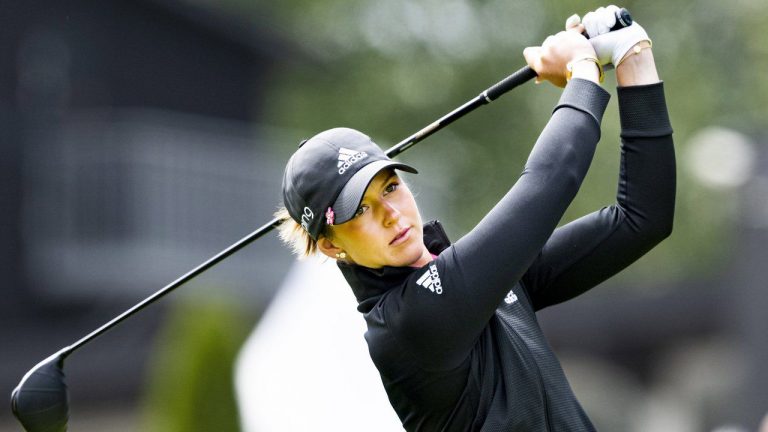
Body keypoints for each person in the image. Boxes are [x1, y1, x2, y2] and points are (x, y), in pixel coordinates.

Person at [275, 5, 675, 431]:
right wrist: (582, 70)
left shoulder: (476, 282)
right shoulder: (406, 325)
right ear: (333, 246)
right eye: (362, 209)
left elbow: (642, 218)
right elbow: (547, 182)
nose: (392, 214)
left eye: (390, 187)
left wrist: (633, 57)